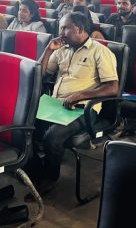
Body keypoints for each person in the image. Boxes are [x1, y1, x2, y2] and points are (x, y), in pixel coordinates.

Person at [36, 12, 118, 193]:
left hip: (82, 109)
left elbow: (113, 88)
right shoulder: (62, 49)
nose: (60, 32)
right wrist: (48, 50)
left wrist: (81, 95)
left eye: (65, 28)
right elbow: (40, 75)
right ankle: (36, 171)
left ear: (79, 28)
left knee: (52, 137)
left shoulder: (100, 51)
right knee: (23, 126)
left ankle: (51, 177)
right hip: (56, 105)